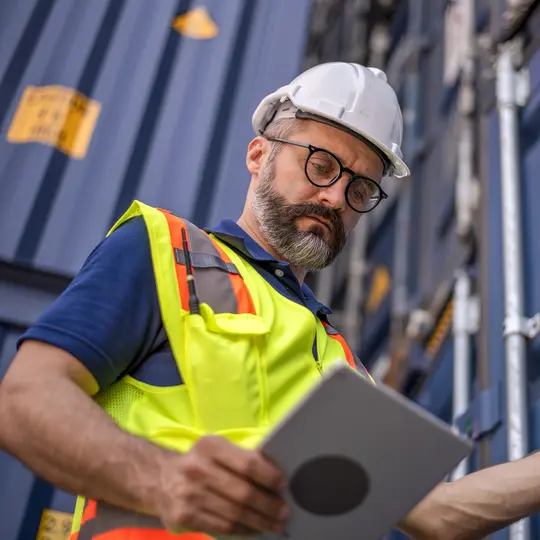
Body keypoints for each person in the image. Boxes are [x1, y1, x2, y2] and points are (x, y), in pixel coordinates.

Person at [0, 62, 539, 540]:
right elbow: (23, 401)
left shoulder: (342, 363)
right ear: (259, 155)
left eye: (359, 190)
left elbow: (439, 514)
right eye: (322, 166)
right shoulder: (165, 251)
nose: (335, 198)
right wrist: (161, 479)